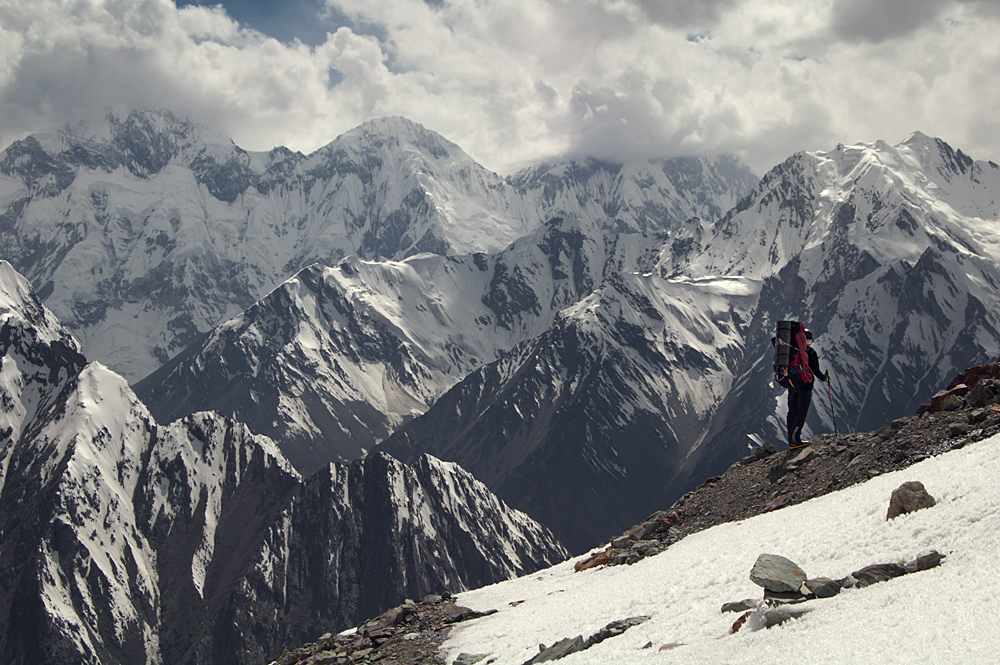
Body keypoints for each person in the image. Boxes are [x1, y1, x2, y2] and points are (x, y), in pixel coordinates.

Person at [786, 330, 829, 449]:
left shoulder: (791, 351)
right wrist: (825, 378)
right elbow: (816, 371)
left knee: (792, 412)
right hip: (805, 386)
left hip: (792, 385)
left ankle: (791, 439)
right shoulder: (810, 352)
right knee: (802, 411)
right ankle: (796, 439)